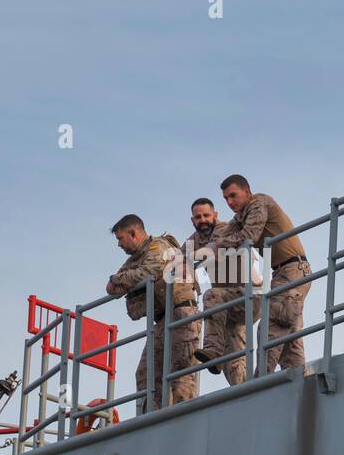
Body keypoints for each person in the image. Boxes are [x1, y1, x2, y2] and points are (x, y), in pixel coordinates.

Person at [202, 174, 311, 372]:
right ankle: (299, 381)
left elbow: (248, 236)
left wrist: (218, 246)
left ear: (247, 192)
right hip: (283, 273)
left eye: (233, 195)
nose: (230, 202)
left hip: (293, 271)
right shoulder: (239, 218)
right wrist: (200, 253)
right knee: (289, 341)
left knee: (270, 328)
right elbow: (222, 238)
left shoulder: (260, 202)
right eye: (226, 198)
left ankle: (261, 382)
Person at [104, 214, 200, 412]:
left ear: (133, 233)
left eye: (120, 239)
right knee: (146, 373)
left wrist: (119, 279)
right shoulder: (135, 258)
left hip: (181, 313)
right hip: (163, 320)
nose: (119, 245)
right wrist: (118, 279)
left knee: (180, 370)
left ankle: (185, 418)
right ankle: (153, 417)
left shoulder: (159, 247)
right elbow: (111, 287)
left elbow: (150, 271)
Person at [186, 198, 259, 385]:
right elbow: (177, 259)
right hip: (226, 305)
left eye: (206, 215)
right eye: (198, 217)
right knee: (233, 363)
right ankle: (245, 392)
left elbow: (212, 248)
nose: (202, 220)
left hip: (249, 295)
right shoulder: (194, 240)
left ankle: (213, 351)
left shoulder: (225, 229)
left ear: (215, 215)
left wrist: (190, 260)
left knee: (212, 295)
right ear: (192, 220)